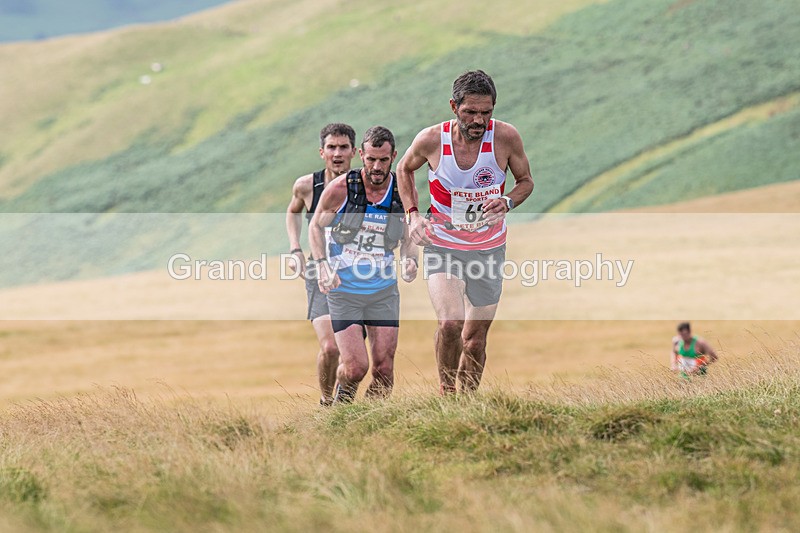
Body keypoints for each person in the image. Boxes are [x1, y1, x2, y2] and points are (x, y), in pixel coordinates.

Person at [396, 70, 534, 393]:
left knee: (473, 341)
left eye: (486, 112)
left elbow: (526, 182)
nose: (478, 120)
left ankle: (467, 404)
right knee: (450, 323)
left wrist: (507, 202)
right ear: (453, 107)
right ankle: (447, 395)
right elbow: (404, 169)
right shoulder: (431, 140)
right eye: (470, 112)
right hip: (443, 244)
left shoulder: (505, 138)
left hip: (488, 248)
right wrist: (413, 216)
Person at [308, 126, 418, 404]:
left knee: (384, 370)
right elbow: (314, 227)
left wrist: (410, 259)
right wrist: (322, 265)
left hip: (383, 291)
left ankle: (366, 422)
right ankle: (339, 399)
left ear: (393, 156)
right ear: (361, 155)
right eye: (371, 159)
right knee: (356, 368)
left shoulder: (402, 190)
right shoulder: (341, 188)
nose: (377, 166)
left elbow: (409, 235)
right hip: (344, 290)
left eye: (383, 160)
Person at [286, 123, 357, 405]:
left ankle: (344, 403)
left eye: (343, 148)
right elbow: (292, 213)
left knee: (352, 355)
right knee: (330, 347)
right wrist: (295, 248)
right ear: (321, 151)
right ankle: (326, 404)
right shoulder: (307, 186)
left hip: (357, 275)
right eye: (331, 147)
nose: (337, 153)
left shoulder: (365, 185)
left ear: (355, 151)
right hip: (320, 272)